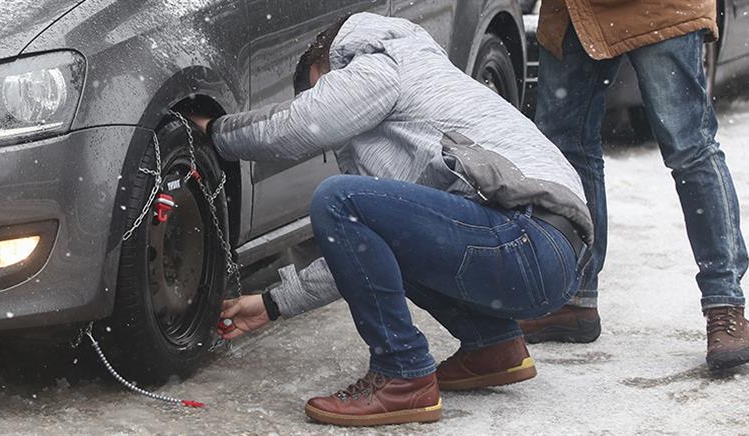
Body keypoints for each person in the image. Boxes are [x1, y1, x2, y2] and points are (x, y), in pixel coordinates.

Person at [190, 13, 591, 427]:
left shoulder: (378, 61)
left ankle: (403, 374)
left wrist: (217, 131)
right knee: (371, 221)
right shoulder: (421, 77)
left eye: (320, 89)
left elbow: (300, 126)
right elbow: (363, 253)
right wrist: (272, 304)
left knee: (336, 197)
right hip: (552, 252)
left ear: (326, 65)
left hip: (524, 238)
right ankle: (493, 345)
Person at [521, 0, 749, 370]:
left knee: (689, 148)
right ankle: (574, 299)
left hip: (659, 7)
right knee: (566, 150)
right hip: (576, 12)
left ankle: (724, 304)